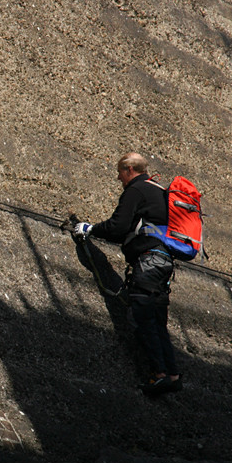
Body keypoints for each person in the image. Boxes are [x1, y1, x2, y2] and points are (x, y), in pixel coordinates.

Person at [73, 153, 182, 396]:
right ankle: (172, 374)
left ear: (130, 169)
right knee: (157, 321)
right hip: (163, 264)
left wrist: (89, 229)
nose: (118, 177)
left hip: (148, 262)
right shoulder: (159, 192)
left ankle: (160, 375)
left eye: (120, 172)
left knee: (142, 317)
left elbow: (118, 227)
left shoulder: (136, 190)